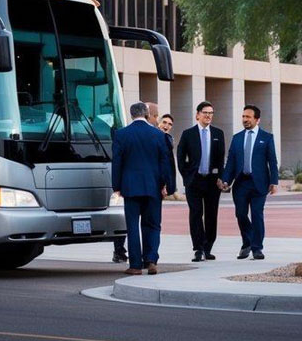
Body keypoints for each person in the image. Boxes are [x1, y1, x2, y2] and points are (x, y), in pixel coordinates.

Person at [112, 102, 174, 275]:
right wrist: (165, 185)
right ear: (147, 114)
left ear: (131, 115)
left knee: (132, 226)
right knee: (153, 225)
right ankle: (151, 260)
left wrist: (116, 186)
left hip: (130, 187)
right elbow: (165, 163)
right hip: (153, 187)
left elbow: (117, 162)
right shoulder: (158, 134)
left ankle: (135, 265)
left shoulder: (121, 134)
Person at [219, 105, 279, 260]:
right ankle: (247, 242)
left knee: (257, 215)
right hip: (241, 183)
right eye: (243, 116)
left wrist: (274, 181)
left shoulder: (267, 137)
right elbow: (231, 161)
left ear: (257, 120)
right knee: (240, 214)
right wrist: (226, 179)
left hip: (259, 183)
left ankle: (257, 248)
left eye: (248, 117)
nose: (245, 120)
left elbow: (272, 161)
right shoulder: (237, 137)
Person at [176, 101, 226, 262]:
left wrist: (221, 177)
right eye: (205, 112)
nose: (208, 116)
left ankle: (208, 246)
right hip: (194, 181)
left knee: (212, 214)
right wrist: (187, 177)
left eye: (211, 113)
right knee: (196, 214)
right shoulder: (188, 134)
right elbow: (180, 157)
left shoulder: (218, 133)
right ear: (197, 114)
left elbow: (220, 159)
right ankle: (198, 248)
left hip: (212, 182)